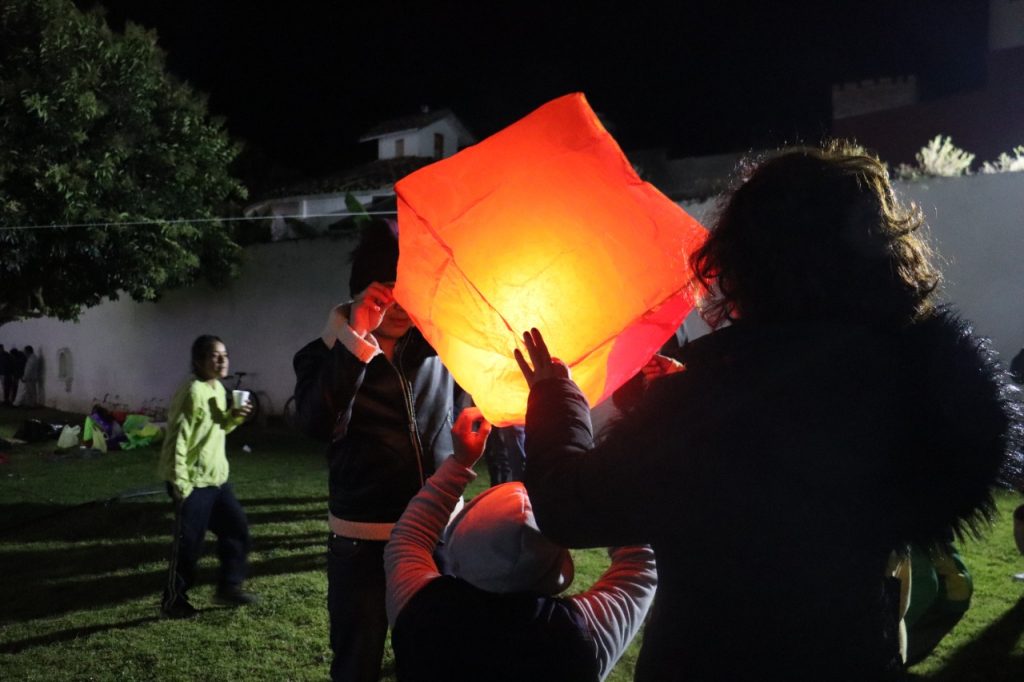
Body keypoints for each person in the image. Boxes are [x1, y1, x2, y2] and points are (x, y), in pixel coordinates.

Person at [514, 143, 1023, 681]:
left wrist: (555, 397)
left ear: (744, 258)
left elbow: (570, 507)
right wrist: (659, 407)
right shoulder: (913, 388)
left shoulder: (704, 403)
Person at [293, 219, 455, 682]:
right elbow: (315, 423)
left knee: (431, 657)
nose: (401, 306)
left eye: (410, 292)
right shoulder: (322, 354)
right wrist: (357, 341)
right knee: (357, 661)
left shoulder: (436, 346)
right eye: (388, 293)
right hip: (363, 539)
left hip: (435, 530)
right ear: (362, 293)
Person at [384, 406, 657, 682]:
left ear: (462, 538)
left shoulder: (419, 606)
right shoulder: (582, 634)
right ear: (558, 567)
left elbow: (410, 535)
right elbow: (641, 561)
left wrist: (460, 462)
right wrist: (598, 477)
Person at [158, 334, 256, 619]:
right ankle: (173, 601)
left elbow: (219, 427)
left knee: (236, 530)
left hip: (216, 480)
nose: (223, 360)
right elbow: (177, 438)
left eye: (225, 355)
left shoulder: (217, 388)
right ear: (199, 360)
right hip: (191, 482)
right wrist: (179, 482)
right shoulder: (192, 391)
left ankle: (229, 587)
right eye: (215, 356)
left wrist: (236, 416)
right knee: (188, 545)